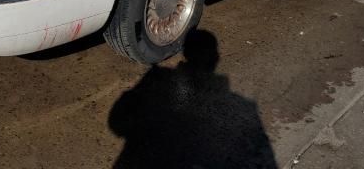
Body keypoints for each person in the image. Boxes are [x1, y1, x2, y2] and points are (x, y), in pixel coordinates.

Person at [109, 29, 277, 168]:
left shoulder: (155, 82)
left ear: (185, 52)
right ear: (215, 59)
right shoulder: (238, 107)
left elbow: (117, 122)